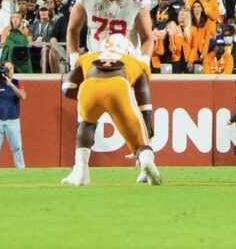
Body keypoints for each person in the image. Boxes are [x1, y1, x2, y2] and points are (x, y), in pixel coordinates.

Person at [61, 39, 162, 187]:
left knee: (86, 123)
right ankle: (146, 161)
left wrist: (86, 97)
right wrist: (147, 128)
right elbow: (145, 103)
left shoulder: (89, 57)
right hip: (119, 86)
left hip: (90, 85)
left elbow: (67, 87)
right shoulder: (133, 61)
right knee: (139, 142)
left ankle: (81, 171)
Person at [0, 63, 26, 168]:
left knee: (17, 149)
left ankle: (21, 172)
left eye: (11, 68)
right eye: (6, 69)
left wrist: (11, 85)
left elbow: (23, 96)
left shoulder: (17, 82)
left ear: (13, 70)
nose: (8, 71)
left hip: (13, 121)